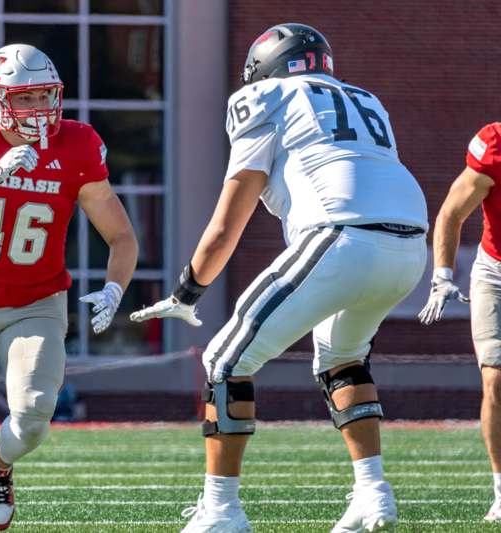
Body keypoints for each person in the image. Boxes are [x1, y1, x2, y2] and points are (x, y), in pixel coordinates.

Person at [131, 23, 428, 533]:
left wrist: (187, 291)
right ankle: (373, 493)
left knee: (224, 359)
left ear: (263, 69)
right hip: (409, 242)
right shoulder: (366, 99)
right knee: (342, 359)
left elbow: (227, 225)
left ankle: (222, 512)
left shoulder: (263, 97)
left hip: (342, 233)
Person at [0, 43, 138, 532]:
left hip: (37, 299)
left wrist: (113, 290)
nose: (40, 110)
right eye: (27, 98)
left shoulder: (77, 144)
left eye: (46, 96)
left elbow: (121, 236)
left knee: (36, 412)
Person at [418, 122, 501, 521]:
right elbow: (452, 210)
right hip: (496, 273)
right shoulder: (494, 144)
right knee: (495, 379)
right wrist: (442, 276)